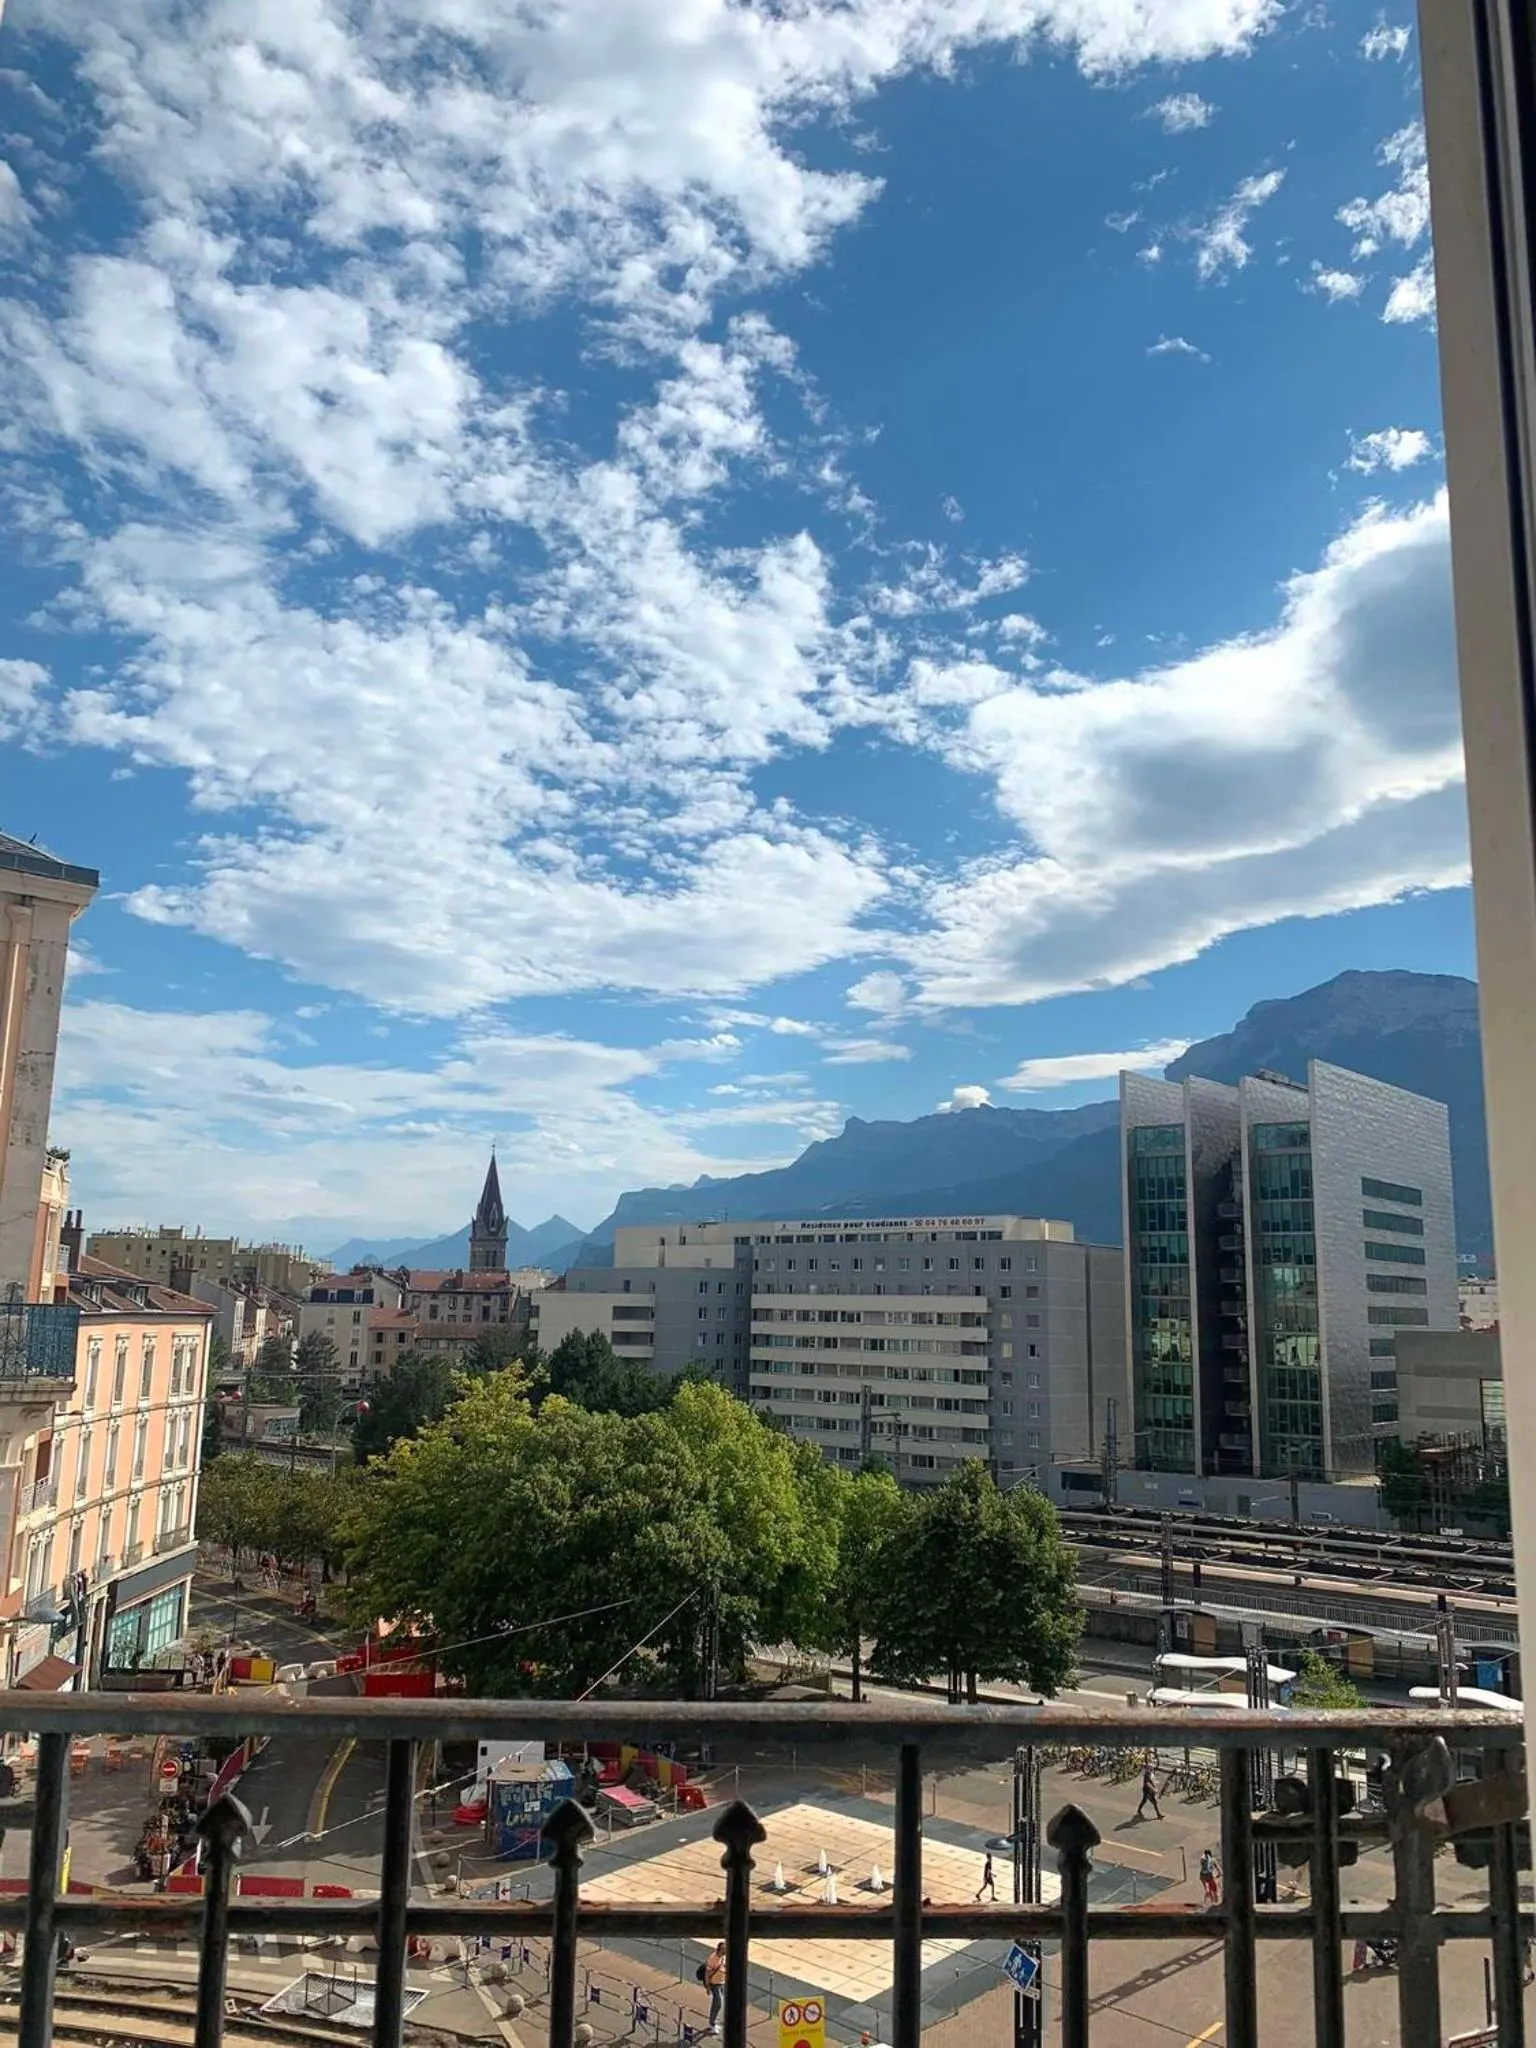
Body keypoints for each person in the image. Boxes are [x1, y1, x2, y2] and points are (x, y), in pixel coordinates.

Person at [703, 1939, 726, 2034]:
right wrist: (708, 1986)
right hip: (714, 1984)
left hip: (721, 1982)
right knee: (719, 2002)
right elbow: (707, 1973)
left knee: (717, 2003)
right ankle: (712, 2023)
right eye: (724, 1950)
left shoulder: (724, 1957)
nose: (725, 1951)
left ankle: (714, 2021)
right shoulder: (712, 1958)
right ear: (719, 1950)